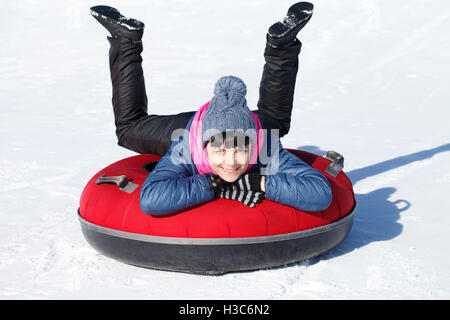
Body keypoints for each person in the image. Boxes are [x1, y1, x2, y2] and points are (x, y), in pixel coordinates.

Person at [90, 2, 332, 215]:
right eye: (221, 151)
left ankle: (282, 44)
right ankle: (126, 39)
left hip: (246, 122)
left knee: (275, 124)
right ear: (205, 148)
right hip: (188, 129)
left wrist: (260, 182)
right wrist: (212, 182)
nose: (230, 162)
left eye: (240, 151)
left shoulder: (265, 146)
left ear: (253, 144)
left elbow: (320, 193)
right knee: (129, 128)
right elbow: (151, 199)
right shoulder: (184, 150)